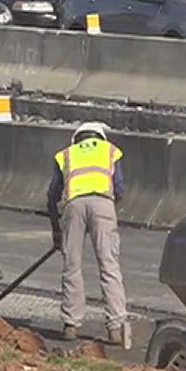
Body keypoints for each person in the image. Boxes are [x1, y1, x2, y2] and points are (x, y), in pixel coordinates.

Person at [49, 121, 129, 347]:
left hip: (73, 206)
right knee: (109, 265)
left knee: (72, 265)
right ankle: (116, 327)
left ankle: (71, 325)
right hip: (103, 203)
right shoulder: (110, 151)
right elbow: (120, 187)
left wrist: (57, 230)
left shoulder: (66, 154)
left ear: (77, 139)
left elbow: (53, 193)